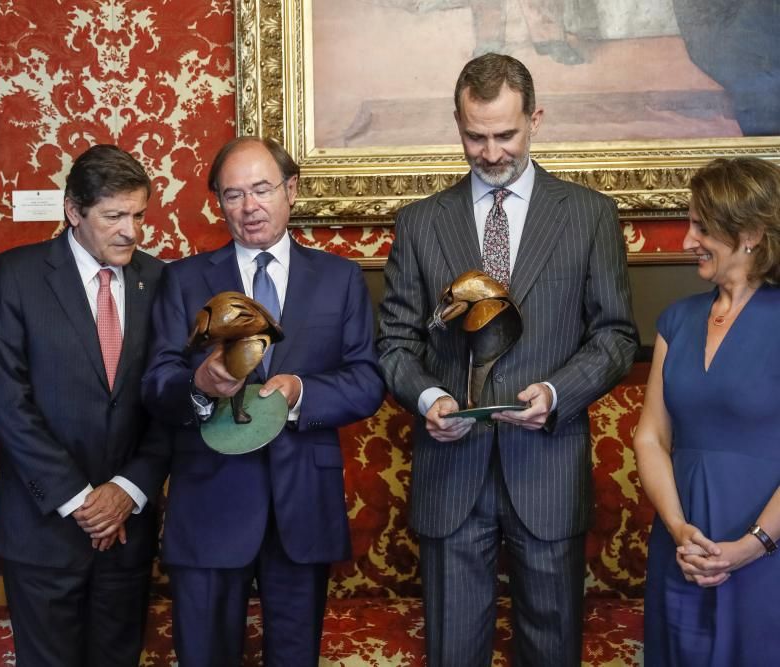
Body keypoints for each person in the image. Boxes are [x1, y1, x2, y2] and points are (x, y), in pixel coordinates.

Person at [377, 53, 638, 666]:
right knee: (453, 653)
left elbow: (617, 337)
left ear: (536, 120)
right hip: (451, 472)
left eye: (505, 135)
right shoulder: (420, 224)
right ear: (458, 124)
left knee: (552, 651)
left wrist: (555, 393)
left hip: (547, 468)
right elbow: (394, 345)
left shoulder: (588, 216)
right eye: (475, 136)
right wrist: (428, 399)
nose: (491, 153)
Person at [141, 136, 384, 666]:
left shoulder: (340, 278)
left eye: (261, 189)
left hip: (302, 504)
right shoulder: (182, 281)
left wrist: (302, 392)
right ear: (218, 203)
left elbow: (367, 381)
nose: (249, 208)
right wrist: (199, 385)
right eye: (232, 195)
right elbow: (156, 382)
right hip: (209, 504)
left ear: (290, 190)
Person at [0, 144, 170, 667]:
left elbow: (169, 403)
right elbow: (6, 400)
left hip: (127, 528)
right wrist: (81, 501)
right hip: (44, 529)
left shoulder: (158, 280)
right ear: (73, 211)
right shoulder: (16, 275)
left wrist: (127, 491)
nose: (130, 231)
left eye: (138, 215)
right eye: (114, 217)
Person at [635, 157, 780, 666]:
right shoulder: (676, 319)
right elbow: (650, 438)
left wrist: (754, 544)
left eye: (702, 226)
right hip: (684, 551)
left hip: (768, 555)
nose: (686, 240)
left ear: (753, 233)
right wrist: (678, 529)